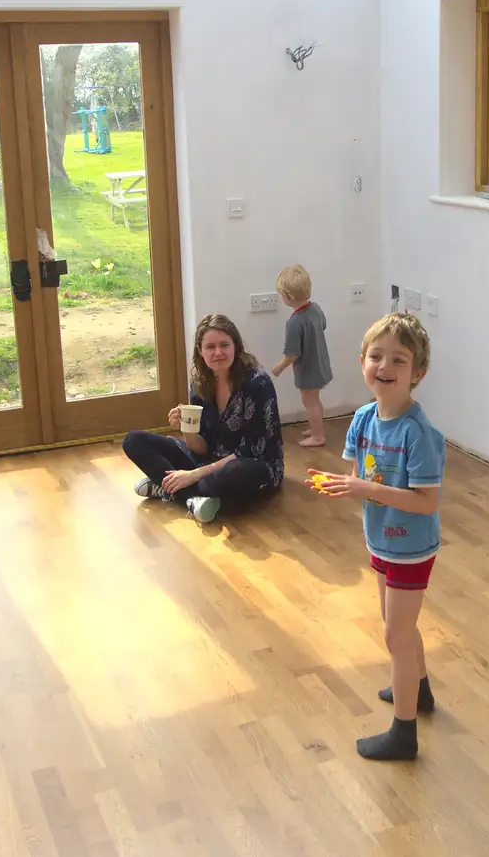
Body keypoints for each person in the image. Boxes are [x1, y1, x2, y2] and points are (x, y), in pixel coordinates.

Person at [312, 313, 445, 761]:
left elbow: (426, 501)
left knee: (395, 637)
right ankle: (419, 691)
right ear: (362, 362)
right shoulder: (364, 418)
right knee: (401, 630)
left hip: (410, 549)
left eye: (399, 360)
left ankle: (404, 734)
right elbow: (360, 476)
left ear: (418, 374)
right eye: (376, 356)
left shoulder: (418, 433)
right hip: (381, 540)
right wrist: (342, 483)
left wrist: (366, 489)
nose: (384, 366)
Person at [122, 314, 284, 523]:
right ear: (200, 351)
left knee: (234, 473)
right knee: (133, 441)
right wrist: (186, 429)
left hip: (252, 465)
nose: (218, 352)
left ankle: (168, 488)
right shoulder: (200, 381)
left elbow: (250, 451)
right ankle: (192, 498)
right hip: (209, 460)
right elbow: (202, 448)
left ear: (236, 346)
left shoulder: (257, 383)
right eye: (210, 347)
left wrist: (193, 475)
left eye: (224, 345)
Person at [270, 264, 333, 448]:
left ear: (288, 297)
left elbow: (292, 353)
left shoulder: (294, 322)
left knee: (309, 401)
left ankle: (318, 436)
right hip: (321, 363)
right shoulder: (316, 308)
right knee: (315, 400)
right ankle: (316, 428)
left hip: (309, 369)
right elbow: (323, 326)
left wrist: (279, 366)